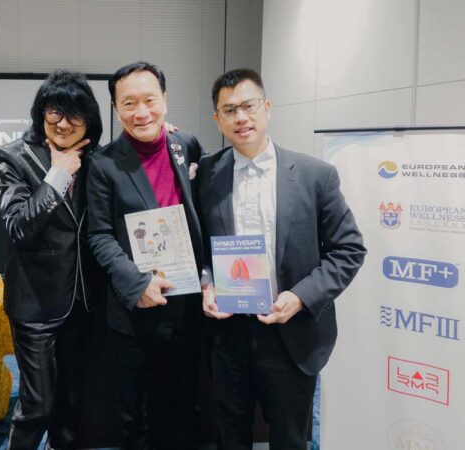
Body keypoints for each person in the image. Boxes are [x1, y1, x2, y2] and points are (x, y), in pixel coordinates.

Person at [196, 68, 367, 450]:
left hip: (291, 332)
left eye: (248, 105)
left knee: (290, 438)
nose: (241, 117)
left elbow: (349, 249)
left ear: (267, 107)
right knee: (230, 435)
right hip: (230, 331)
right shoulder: (207, 174)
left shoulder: (314, 175)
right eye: (229, 110)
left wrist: (302, 296)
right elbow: (202, 246)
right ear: (217, 119)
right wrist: (207, 282)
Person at [86, 61, 204, 450]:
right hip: (137, 309)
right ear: (116, 109)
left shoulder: (184, 144)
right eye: (129, 103)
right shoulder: (103, 164)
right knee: (134, 415)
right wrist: (137, 284)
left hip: (187, 304)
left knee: (184, 407)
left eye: (150, 100)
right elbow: (100, 235)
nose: (142, 112)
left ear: (165, 101)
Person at [0, 70, 102, 450]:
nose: (64, 123)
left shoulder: (96, 159)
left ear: (90, 119)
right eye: (55, 112)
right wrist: (57, 176)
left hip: (83, 302)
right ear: (41, 113)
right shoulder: (13, 157)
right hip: (35, 303)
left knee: (72, 402)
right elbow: (19, 227)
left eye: (75, 114)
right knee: (38, 404)